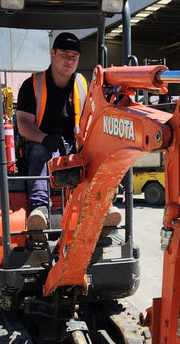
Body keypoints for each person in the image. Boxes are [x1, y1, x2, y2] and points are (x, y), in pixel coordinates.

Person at [15, 32, 120, 238]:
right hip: (39, 145)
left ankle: (103, 205)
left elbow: (91, 121)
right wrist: (45, 138)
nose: (70, 59)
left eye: (74, 55)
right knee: (40, 151)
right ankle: (40, 209)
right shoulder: (32, 85)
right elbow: (24, 124)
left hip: (72, 147)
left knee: (97, 154)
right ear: (52, 53)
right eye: (64, 54)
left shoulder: (83, 84)